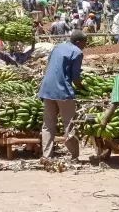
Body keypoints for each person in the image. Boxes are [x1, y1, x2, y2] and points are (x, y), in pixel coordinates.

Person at [38, 31, 87, 159]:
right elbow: (75, 77)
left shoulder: (57, 47)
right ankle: (74, 156)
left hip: (47, 89)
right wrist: (82, 88)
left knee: (48, 124)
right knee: (69, 124)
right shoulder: (77, 52)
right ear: (78, 42)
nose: (84, 46)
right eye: (84, 43)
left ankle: (46, 156)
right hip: (63, 91)